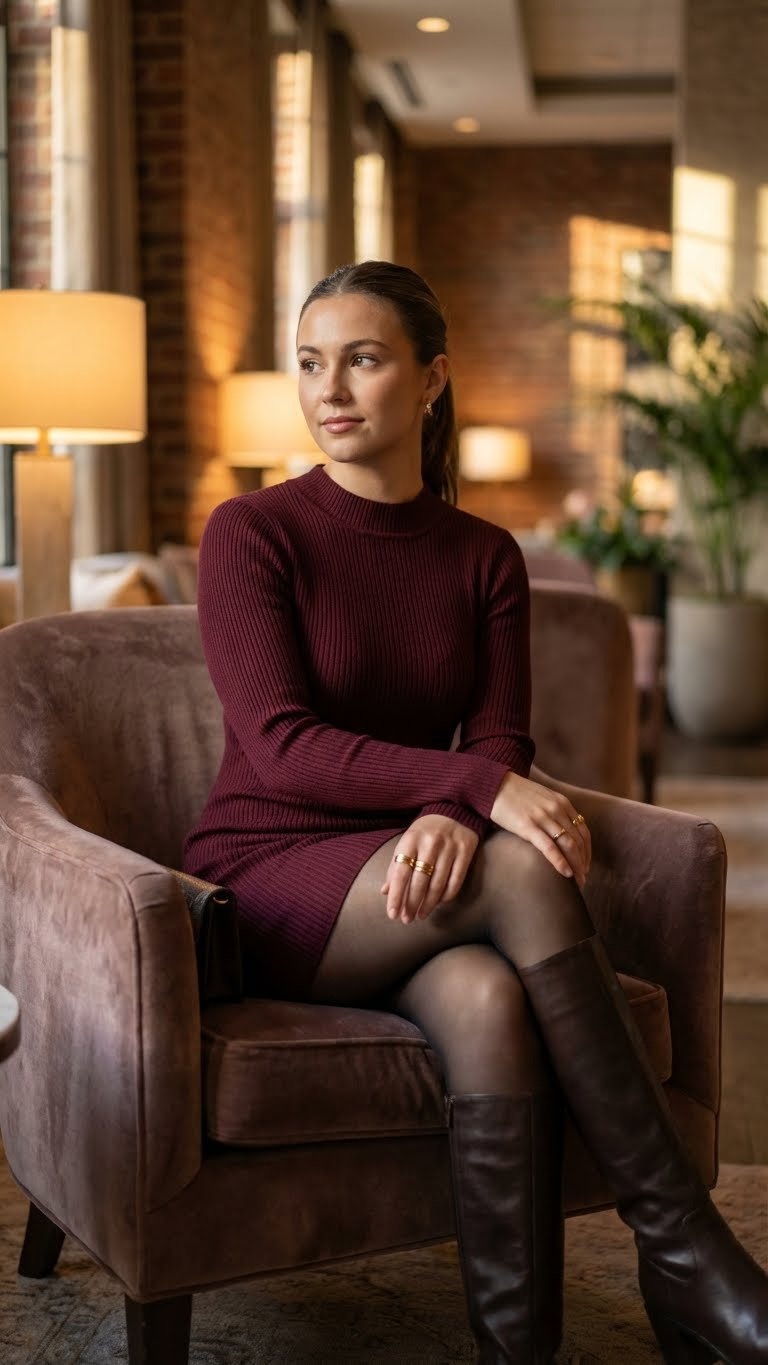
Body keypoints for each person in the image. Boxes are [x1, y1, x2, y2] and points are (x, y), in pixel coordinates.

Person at [184, 260, 768, 1364]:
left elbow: (500, 736)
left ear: (432, 379)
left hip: (407, 876)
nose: (330, 389)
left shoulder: (484, 557)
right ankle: (683, 1242)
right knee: (520, 868)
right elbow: (283, 747)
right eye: (311, 362)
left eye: (363, 357)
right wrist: (471, 794)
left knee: (490, 1000)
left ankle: (520, 1349)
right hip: (272, 873)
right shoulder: (252, 534)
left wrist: (463, 802)